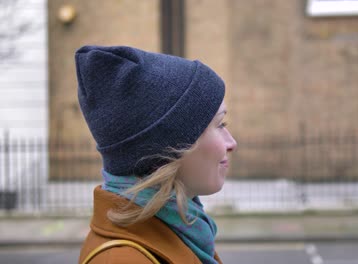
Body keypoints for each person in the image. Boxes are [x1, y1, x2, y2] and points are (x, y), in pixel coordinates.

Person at [75, 45, 237, 264]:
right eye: (220, 124)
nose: (232, 143)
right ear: (170, 148)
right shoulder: (122, 260)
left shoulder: (183, 229)